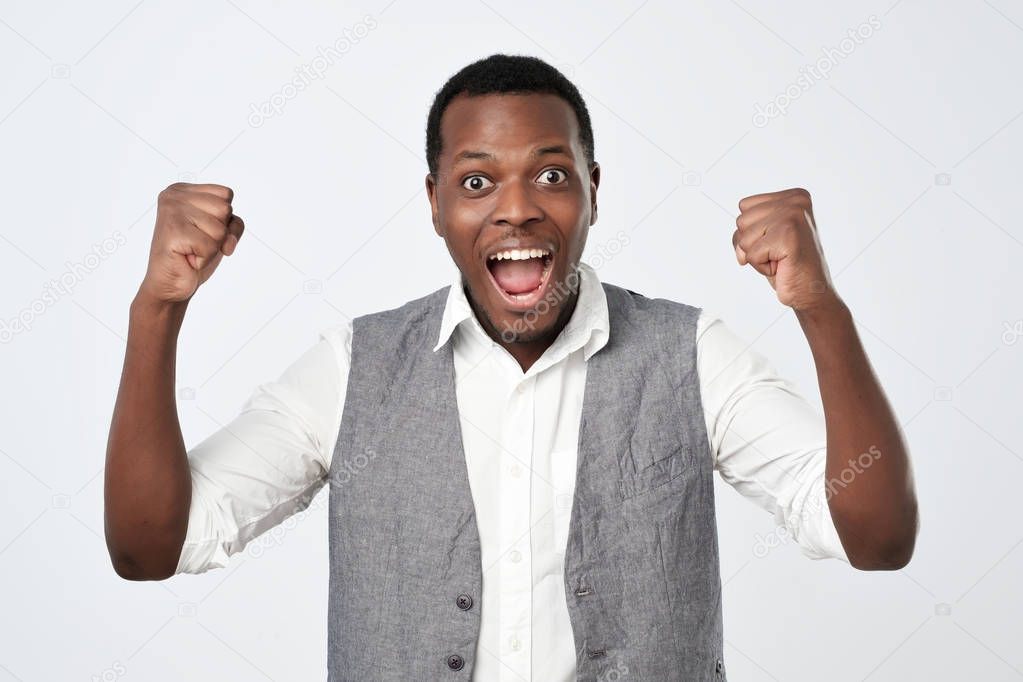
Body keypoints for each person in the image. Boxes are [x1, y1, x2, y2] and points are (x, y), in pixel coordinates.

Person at [104, 53, 918, 681]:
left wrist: (821, 311)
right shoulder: (354, 367)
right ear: (434, 203)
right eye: (476, 180)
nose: (517, 205)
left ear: (593, 193)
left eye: (552, 175)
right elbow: (149, 550)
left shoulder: (688, 354)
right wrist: (157, 311)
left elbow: (876, 536)